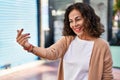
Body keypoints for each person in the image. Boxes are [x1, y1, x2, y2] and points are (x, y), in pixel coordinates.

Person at [16, 2, 113, 80]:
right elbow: (50, 53)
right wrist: (29, 46)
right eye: (71, 21)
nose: (74, 24)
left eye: (78, 19)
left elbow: (107, 76)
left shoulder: (102, 46)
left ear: (88, 19)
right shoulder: (68, 40)